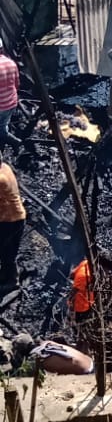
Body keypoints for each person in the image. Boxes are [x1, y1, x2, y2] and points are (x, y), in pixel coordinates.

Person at [0, 154, 25, 289]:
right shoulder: (4, 167)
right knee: (6, 250)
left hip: (11, 220)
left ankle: (12, 282)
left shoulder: (1, 179)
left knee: (7, 252)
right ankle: (5, 275)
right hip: (12, 216)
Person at [68, 257, 95, 327]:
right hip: (81, 307)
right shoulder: (85, 276)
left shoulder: (85, 262)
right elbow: (72, 294)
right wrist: (72, 314)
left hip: (86, 302)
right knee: (80, 325)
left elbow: (72, 274)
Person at [0, 47, 19, 143]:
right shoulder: (11, 63)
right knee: (3, 123)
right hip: (12, 103)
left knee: (1, 128)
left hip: (1, 106)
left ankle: (14, 142)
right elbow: (17, 84)